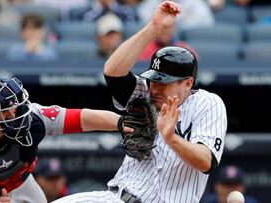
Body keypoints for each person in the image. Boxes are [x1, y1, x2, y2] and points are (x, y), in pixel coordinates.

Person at [53, 1, 227, 203]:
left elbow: (206, 162)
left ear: (187, 83)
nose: (155, 88)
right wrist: (153, 27)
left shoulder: (208, 104)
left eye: (164, 83)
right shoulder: (145, 92)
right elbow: (113, 72)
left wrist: (171, 138)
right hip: (116, 197)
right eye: (154, 81)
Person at [0, 74, 129, 203]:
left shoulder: (30, 115)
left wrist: (122, 122)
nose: (13, 115)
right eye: (3, 112)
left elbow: (80, 118)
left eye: (12, 107)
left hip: (19, 183)